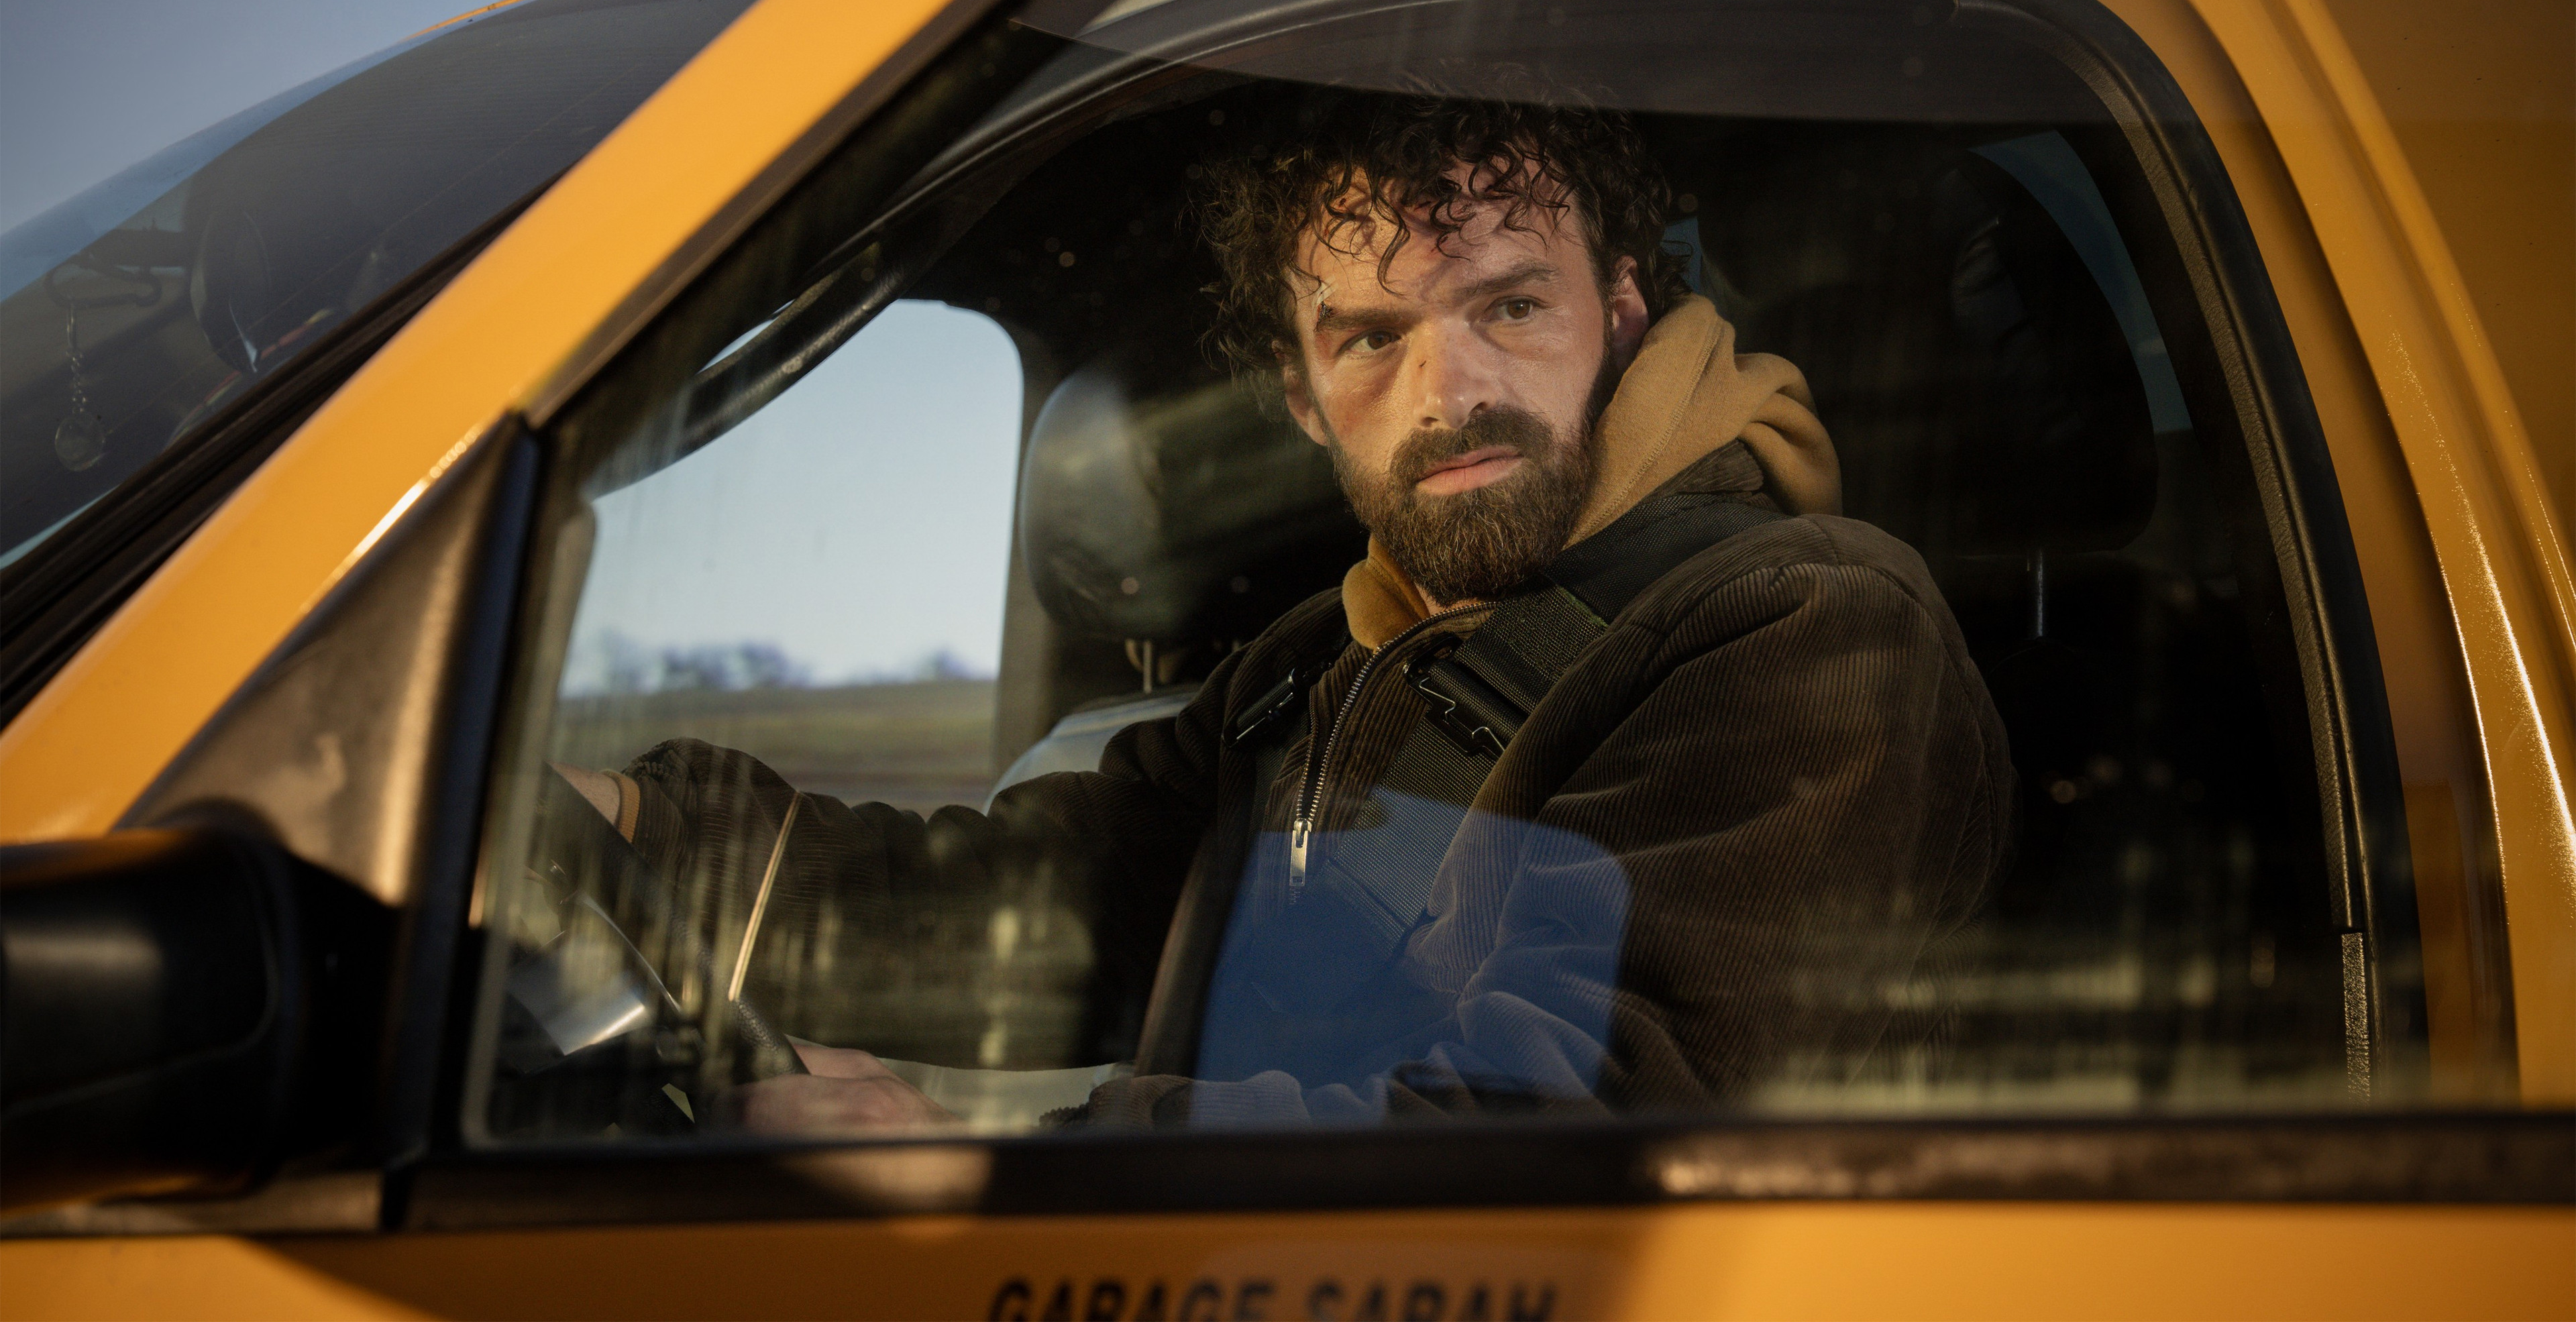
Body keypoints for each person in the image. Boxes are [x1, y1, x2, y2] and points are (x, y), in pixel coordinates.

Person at [570, 85, 2012, 1131]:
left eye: (1513, 307)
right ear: (1302, 395)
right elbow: (1042, 910)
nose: (1451, 392)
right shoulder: (1316, 663)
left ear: (1623, 312)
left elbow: (1585, 1133)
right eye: (1372, 338)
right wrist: (631, 831)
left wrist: (993, 1171)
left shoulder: (1805, 626)